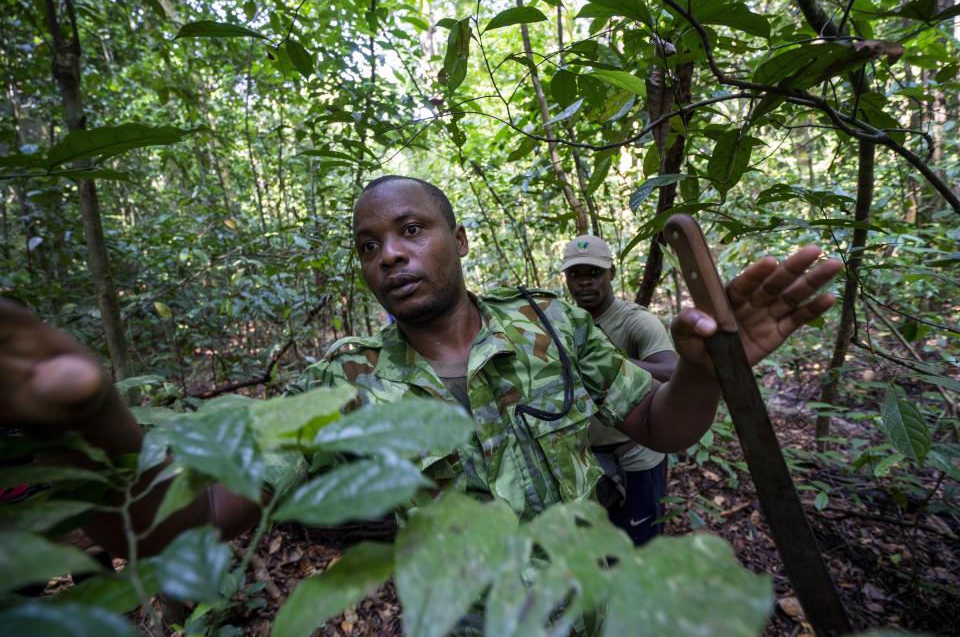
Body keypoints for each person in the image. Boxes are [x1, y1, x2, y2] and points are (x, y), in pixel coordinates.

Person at [0, 175, 843, 560]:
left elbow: (661, 426)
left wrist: (703, 373)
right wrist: (96, 424)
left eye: (411, 230)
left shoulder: (548, 320)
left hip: (599, 599)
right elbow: (200, 517)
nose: (390, 256)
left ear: (459, 241)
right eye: (370, 246)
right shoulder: (344, 378)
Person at [560, 235, 677, 545]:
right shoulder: (563, 324)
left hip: (635, 458)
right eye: (576, 274)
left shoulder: (634, 321)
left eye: (593, 273)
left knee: (642, 546)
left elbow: (672, 370)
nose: (584, 282)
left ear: (611, 273)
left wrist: (611, 363)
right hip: (588, 461)